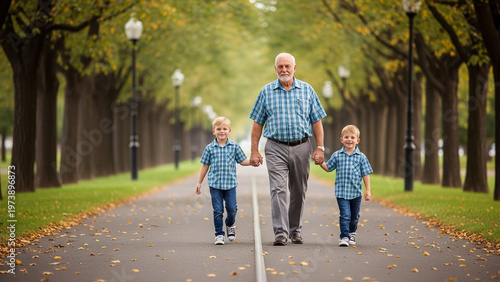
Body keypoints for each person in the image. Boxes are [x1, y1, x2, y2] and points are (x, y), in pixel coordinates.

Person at [249, 52, 327, 246]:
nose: (284, 70)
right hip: (275, 147)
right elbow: (257, 125)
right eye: (280, 66)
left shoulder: (307, 90)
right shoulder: (266, 91)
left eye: (287, 66)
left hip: (302, 146)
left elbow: (316, 121)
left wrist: (319, 147)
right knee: (278, 189)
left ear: (294, 68)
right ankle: (281, 232)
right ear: (275, 69)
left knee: (299, 190)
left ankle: (295, 230)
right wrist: (254, 151)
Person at [195, 116, 251, 245]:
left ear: (229, 131)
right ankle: (219, 234)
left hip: (230, 184)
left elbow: (242, 161)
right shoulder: (210, 148)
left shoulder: (234, 147)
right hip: (215, 185)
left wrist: (253, 162)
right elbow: (204, 166)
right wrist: (199, 182)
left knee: (232, 209)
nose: (222, 131)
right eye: (218, 129)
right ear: (214, 131)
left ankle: (230, 224)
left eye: (224, 128)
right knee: (218, 210)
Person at [318, 124, 373, 247]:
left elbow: (365, 174)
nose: (349, 140)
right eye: (346, 137)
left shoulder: (361, 157)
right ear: (341, 139)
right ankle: (344, 236)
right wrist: (321, 163)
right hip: (342, 192)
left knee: (354, 216)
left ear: (357, 140)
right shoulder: (337, 155)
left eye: (352, 137)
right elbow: (328, 168)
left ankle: (352, 233)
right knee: (345, 215)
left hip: (356, 193)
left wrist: (368, 190)